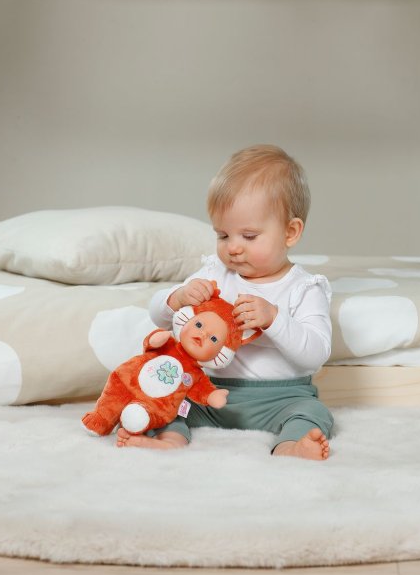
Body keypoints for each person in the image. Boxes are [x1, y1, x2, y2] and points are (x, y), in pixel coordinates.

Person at [116, 144, 334, 460]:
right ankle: (170, 438)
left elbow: (316, 354)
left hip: (283, 397)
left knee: (314, 412)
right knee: (164, 396)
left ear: (290, 232)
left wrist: (274, 319)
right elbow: (158, 315)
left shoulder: (303, 288)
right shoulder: (215, 273)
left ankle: (291, 445)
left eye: (249, 236)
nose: (233, 248)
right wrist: (178, 298)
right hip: (210, 392)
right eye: (223, 235)